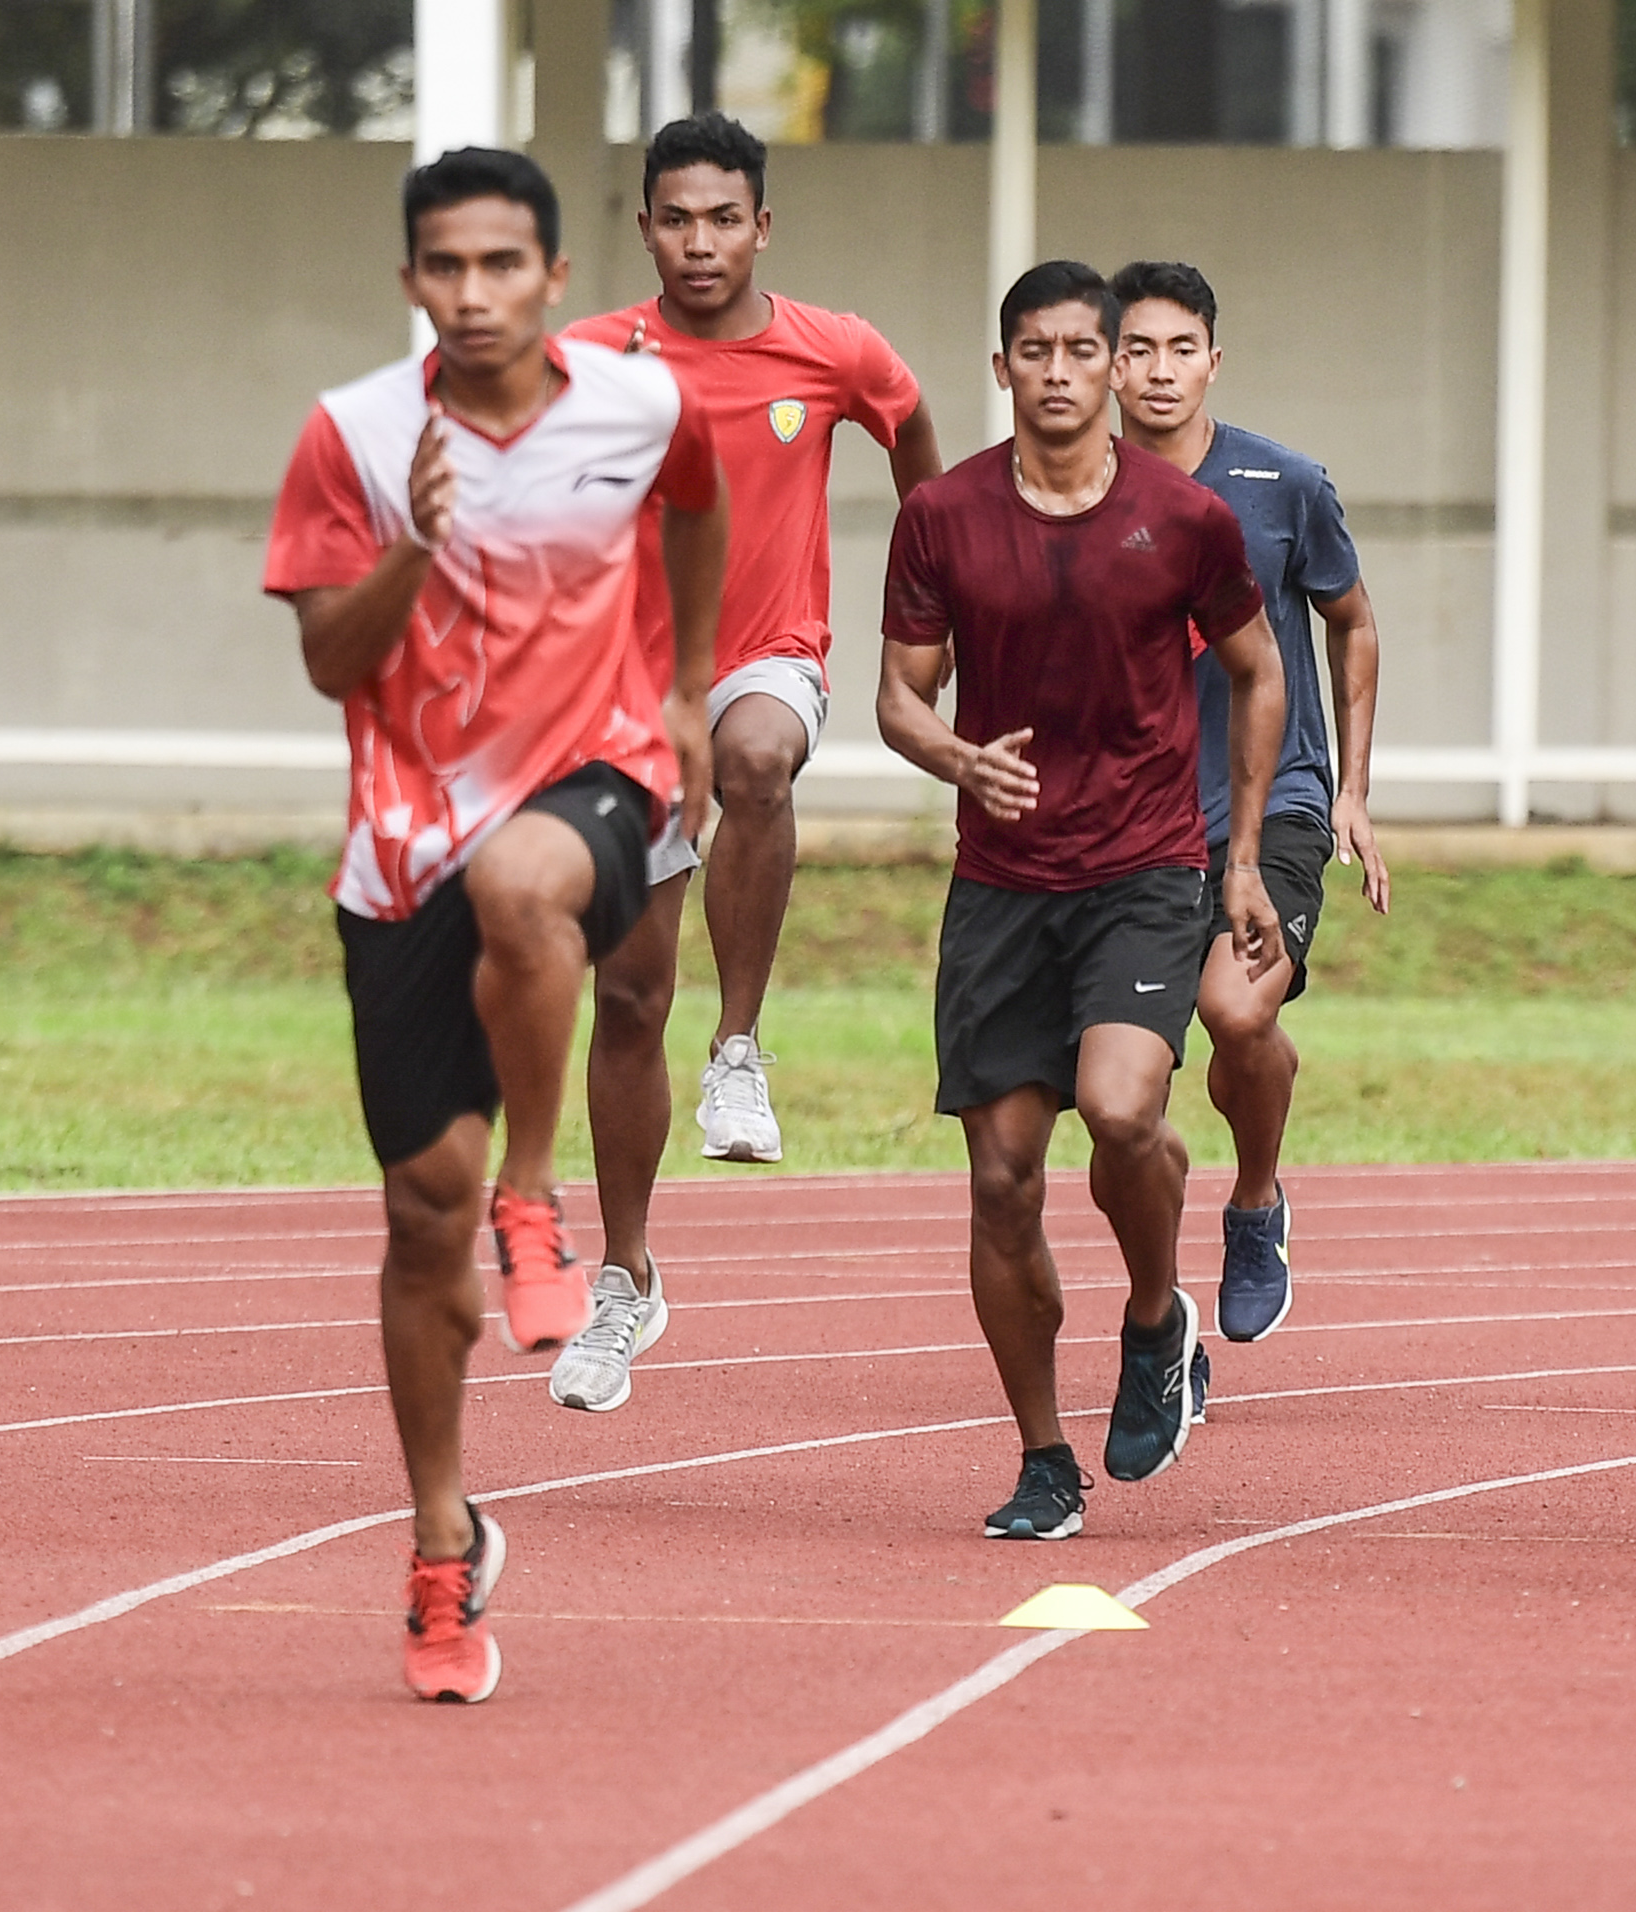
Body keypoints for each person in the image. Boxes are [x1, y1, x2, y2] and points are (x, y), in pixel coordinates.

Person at [262, 148, 723, 1700]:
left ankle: (540, 1199)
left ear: (551, 274)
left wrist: (679, 692)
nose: (474, 295)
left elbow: (699, 513)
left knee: (529, 887)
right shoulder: (356, 433)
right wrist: (412, 538)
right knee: (413, 1222)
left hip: (589, 773)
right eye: (444, 269)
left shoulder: (640, 404)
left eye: (501, 265)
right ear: (411, 282)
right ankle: (443, 1543)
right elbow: (331, 665)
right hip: (399, 846)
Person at [876, 261, 1287, 1541]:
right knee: (1002, 1177)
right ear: (999, 369)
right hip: (1000, 887)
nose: (1057, 373)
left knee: (1119, 1108)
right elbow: (899, 694)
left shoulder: (1184, 518)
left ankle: (1156, 1316)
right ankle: (1043, 1456)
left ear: (1115, 368)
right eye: (1032, 352)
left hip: (1144, 869)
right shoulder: (941, 516)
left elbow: (1259, 675)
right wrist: (956, 758)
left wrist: (1243, 858)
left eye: (1079, 351)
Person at [546, 113, 940, 1412]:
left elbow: (925, 466)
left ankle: (741, 1048)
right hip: (628, 697)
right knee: (624, 1000)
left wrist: (925, 634)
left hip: (770, 656)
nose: (699, 241)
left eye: (724, 218)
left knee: (759, 758)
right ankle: (626, 1277)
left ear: (761, 224)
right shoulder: (594, 359)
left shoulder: (834, 354)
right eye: (676, 218)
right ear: (644, 225)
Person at [1107, 260, 1388, 1382]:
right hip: (1129, 821)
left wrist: (1353, 789)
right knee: (1121, 1094)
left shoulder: (1281, 481)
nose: (1159, 370)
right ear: (1106, 363)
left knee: (1233, 1006)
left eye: (1181, 348)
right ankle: (1157, 1312)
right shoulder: (1074, 485)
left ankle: (1258, 1196)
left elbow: (1352, 623)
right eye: (1138, 349)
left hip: (1273, 805)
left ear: (1212, 360)